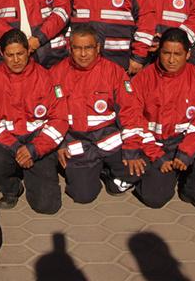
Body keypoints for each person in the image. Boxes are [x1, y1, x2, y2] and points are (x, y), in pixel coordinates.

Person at [125, 28, 195, 211]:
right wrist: (158, 157)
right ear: (159, 52)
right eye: (166, 53)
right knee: (154, 199)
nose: (171, 60)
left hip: (183, 140)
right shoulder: (142, 79)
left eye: (177, 54)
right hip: (154, 144)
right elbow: (135, 123)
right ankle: (163, 174)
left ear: (187, 54)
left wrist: (186, 152)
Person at [51, 24, 142, 203]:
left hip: (109, 141)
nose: (83, 54)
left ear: (98, 48)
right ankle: (92, 172)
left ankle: (108, 174)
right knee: (83, 196)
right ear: (70, 48)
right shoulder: (56, 73)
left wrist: (132, 151)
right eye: (77, 48)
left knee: (141, 170)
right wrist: (60, 143)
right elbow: (50, 115)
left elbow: (130, 112)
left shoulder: (114, 72)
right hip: (77, 143)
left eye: (88, 48)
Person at [0, 30, 67, 214]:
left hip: (38, 144)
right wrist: (16, 149)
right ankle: (11, 188)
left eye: (20, 53)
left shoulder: (46, 77)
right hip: (8, 144)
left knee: (47, 207)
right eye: (10, 55)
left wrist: (34, 150)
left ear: (28, 51)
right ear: (2, 54)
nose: (16, 59)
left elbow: (59, 119)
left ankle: (32, 174)